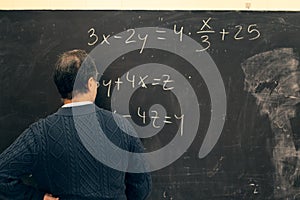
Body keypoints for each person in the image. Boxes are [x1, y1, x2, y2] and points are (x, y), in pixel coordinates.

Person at [0, 49, 152, 200]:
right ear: (90, 83)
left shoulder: (40, 134)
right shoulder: (122, 126)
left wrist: (38, 197)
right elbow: (142, 186)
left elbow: (2, 175)